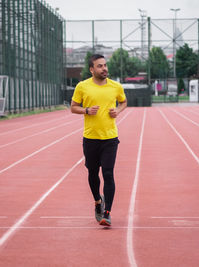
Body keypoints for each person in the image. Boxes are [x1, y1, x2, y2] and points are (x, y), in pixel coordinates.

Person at [71, 54, 127, 226]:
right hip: (90, 138)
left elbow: (124, 102)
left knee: (108, 173)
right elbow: (73, 107)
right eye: (100, 66)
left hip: (110, 138)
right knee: (93, 173)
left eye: (105, 65)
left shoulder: (115, 86)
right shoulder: (82, 86)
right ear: (91, 69)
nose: (104, 69)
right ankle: (97, 201)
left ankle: (107, 213)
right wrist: (86, 110)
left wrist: (118, 111)